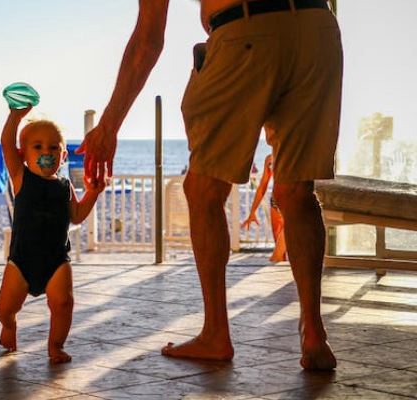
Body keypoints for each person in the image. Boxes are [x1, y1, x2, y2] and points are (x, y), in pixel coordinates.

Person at [76, 0, 342, 370]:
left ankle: (216, 333)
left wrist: (109, 125)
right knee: (297, 191)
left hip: (246, 33)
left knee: (203, 191)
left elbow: (148, 40)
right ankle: (314, 333)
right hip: (318, 31)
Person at [0, 106, 106, 364]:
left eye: (54, 148)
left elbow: (77, 215)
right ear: (23, 154)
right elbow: (6, 143)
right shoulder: (20, 177)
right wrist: (15, 117)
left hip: (57, 260)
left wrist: (93, 192)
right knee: (5, 308)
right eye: (38, 147)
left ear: (64, 155)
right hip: (22, 261)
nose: (47, 152)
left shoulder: (65, 186)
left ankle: (55, 346)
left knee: (64, 304)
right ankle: (9, 325)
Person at [242, 154, 287, 262]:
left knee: (277, 255)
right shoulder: (270, 159)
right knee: (280, 256)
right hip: (275, 203)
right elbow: (263, 186)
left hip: (291, 204)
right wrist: (252, 211)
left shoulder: (295, 153)